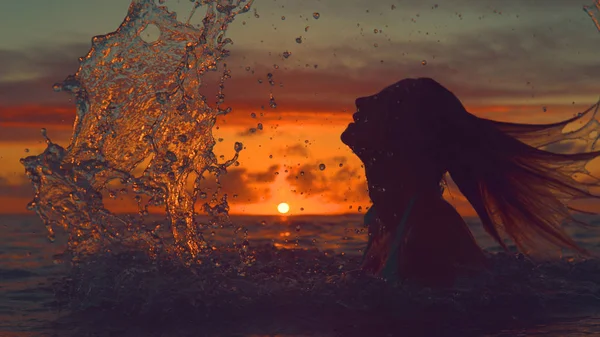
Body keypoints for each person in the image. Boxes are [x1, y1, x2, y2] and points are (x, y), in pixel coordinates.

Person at [341, 77, 600, 288]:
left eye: (386, 100)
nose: (362, 101)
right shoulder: (386, 220)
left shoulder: (428, 232)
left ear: (403, 140)